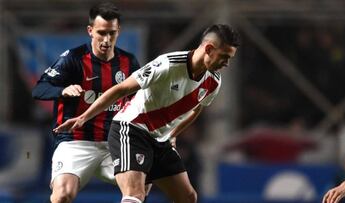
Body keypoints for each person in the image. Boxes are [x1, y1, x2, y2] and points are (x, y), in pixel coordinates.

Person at [54, 24, 240, 203]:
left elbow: (196, 109)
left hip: (159, 140)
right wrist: (84, 116)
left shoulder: (214, 82)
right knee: (135, 194)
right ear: (208, 48)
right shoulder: (167, 65)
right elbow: (121, 89)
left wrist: (172, 135)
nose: (227, 63)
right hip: (131, 130)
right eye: (224, 56)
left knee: (188, 197)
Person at [32, 2, 151, 203]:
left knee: (143, 185)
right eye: (101, 32)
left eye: (111, 33)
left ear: (118, 31)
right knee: (62, 195)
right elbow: (40, 89)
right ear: (90, 31)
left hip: (114, 143)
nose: (106, 39)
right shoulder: (73, 59)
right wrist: (62, 90)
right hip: (75, 141)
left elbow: (138, 101)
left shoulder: (129, 62)